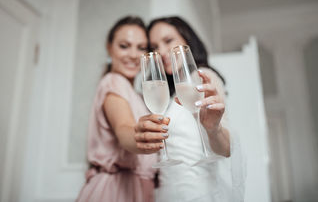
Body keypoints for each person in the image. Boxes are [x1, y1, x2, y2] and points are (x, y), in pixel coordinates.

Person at [134, 16, 246, 202]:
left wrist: (213, 128)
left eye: (168, 41)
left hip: (197, 193)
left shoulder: (203, 77)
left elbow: (226, 149)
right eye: (154, 47)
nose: (161, 51)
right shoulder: (168, 94)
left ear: (187, 40)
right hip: (167, 193)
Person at [76, 16, 161, 202]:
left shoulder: (139, 95)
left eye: (141, 48)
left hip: (140, 189)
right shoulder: (114, 82)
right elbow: (124, 129)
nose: (133, 54)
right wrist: (139, 135)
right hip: (115, 191)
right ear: (109, 48)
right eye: (124, 46)